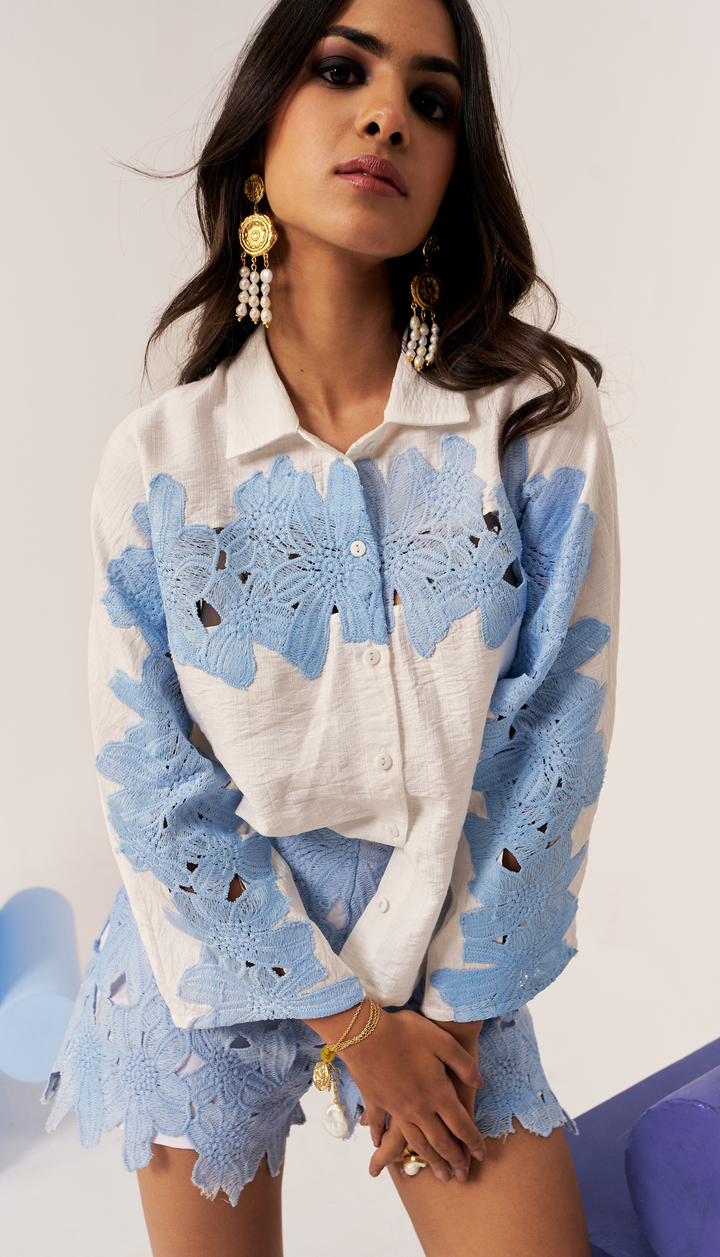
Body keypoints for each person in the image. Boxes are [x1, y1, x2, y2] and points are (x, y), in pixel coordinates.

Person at [44, 0, 619, 1253]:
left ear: (455, 169)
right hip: (206, 953)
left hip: (453, 958)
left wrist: (447, 1018)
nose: (386, 117)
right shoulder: (158, 461)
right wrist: (351, 1028)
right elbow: (152, 783)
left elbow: (555, 730)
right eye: (342, 71)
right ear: (262, 130)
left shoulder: (532, 419)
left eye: (432, 101)